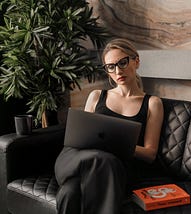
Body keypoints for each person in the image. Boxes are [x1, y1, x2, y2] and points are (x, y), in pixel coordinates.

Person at [54, 38, 164, 214]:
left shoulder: (152, 103)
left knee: (69, 192)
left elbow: (150, 153)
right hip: (80, 158)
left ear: (136, 61)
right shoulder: (97, 96)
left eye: (122, 62)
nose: (118, 70)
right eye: (111, 66)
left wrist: (115, 144)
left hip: (115, 168)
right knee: (96, 158)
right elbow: (80, 136)